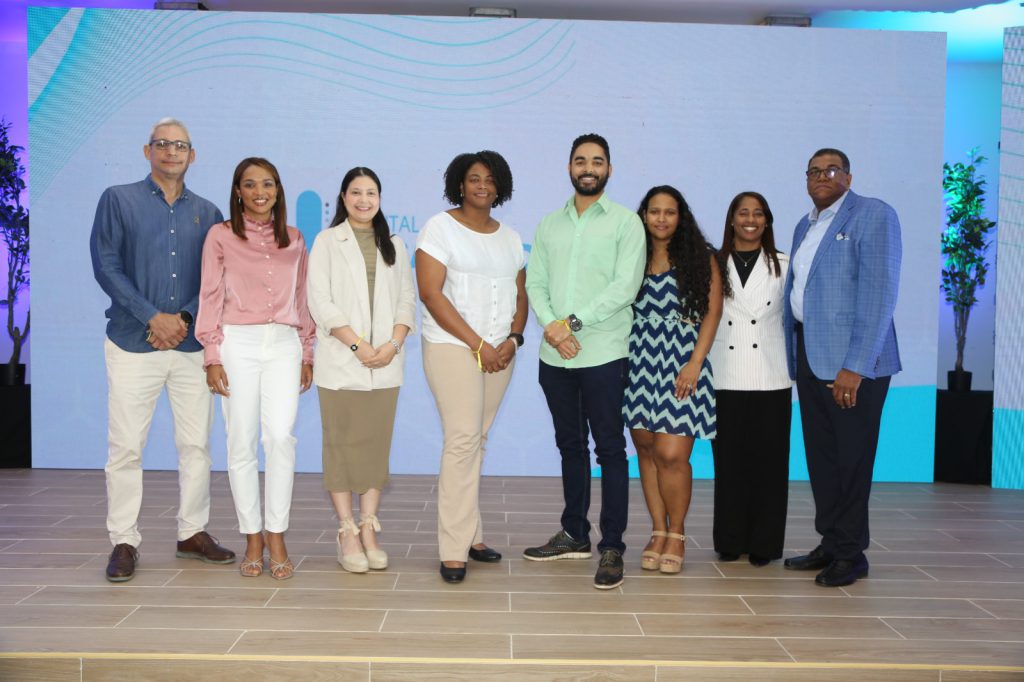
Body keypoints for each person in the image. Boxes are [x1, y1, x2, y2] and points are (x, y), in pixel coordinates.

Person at [90, 118, 235, 582]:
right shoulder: (118, 200)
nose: (172, 152)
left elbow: (217, 279)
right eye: (163, 144)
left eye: (181, 145)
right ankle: (124, 540)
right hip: (133, 343)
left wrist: (184, 319)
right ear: (147, 150)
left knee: (196, 446)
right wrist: (152, 317)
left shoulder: (209, 213)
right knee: (126, 448)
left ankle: (192, 532)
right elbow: (106, 266)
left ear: (193, 155)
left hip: (191, 347)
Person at [523, 133, 646, 590]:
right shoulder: (549, 225)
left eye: (597, 161)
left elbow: (624, 287)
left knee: (610, 450)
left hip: (604, 354)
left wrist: (570, 324)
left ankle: (611, 545)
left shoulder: (626, 223)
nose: (588, 168)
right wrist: (551, 327)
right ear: (569, 167)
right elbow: (535, 283)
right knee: (570, 447)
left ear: (609, 169)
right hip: (554, 356)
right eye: (580, 160)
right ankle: (574, 533)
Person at [783, 148, 901, 587]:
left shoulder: (873, 215)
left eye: (830, 170)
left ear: (848, 178)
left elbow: (879, 294)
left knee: (852, 459)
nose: (821, 176)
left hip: (853, 366)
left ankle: (852, 555)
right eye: (813, 171)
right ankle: (831, 542)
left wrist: (856, 366)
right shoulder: (805, 225)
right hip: (811, 358)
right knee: (823, 459)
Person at [195, 157, 316, 580]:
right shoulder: (220, 235)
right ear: (238, 191)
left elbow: (302, 298)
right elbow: (210, 295)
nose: (259, 192)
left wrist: (307, 351)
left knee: (280, 438)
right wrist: (212, 355)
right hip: (237, 344)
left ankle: (276, 534)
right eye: (250, 184)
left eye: (267, 184)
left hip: (284, 344)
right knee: (241, 442)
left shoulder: (295, 239)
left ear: (278, 191)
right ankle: (252, 536)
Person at [416, 151, 527, 584]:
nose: (482, 186)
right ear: (459, 184)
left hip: (500, 352)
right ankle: (453, 549)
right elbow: (431, 294)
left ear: (501, 187)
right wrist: (478, 344)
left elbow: (520, 295)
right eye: (474, 178)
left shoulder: (511, 238)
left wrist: (512, 340)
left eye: (490, 179)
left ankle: (471, 534)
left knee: (476, 440)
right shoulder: (439, 228)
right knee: (463, 440)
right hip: (453, 347)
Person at [307, 167, 415, 574]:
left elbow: (407, 301)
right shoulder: (326, 241)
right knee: (340, 446)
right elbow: (320, 301)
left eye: (371, 193)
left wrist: (392, 345)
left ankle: (369, 528)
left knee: (374, 447)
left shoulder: (395, 244)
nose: (364, 200)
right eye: (356, 192)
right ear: (343, 197)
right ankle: (346, 531)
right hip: (342, 363)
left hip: (385, 364)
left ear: (380, 199)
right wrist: (358, 345)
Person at [624, 185, 724, 575]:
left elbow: (712, 312)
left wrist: (695, 362)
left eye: (669, 212)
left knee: (672, 454)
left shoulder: (701, 257)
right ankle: (657, 531)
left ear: (681, 217)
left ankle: (677, 533)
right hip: (638, 364)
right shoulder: (631, 255)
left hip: (683, 364)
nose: (661, 218)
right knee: (647, 450)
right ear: (643, 215)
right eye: (654, 211)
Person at [708, 191, 791, 567]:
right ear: (731, 219)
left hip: (771, 373)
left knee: (770, 464)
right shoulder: (713, 263)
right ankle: (730, 539)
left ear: (767, 221)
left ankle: (765, 543)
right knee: (728, 463)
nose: (751, 220)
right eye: (743, 213)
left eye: (759, 213)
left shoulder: (784, 264)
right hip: (724, 372)